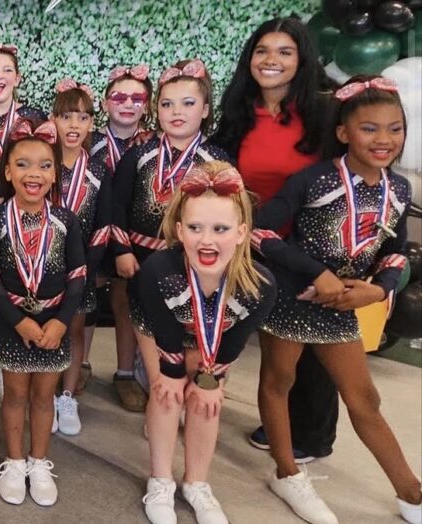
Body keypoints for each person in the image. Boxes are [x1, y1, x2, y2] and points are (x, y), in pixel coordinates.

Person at [253, 76, 421, 524]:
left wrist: (379, 288)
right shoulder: (313, 179)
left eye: (395, 128)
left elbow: (396, 250)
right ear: (344, 132)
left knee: (364, 397)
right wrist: (317, 273)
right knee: (279, 380)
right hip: (293, 296)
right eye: (369, 128)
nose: (384, 139)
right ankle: (287, 473)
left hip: (341, 303)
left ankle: (411, 491)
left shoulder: (399, 190)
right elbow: (259, 231)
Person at [214, 16, 338, 464]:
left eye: (285, 52)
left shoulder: (324, 115)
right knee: (273, 344)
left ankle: (313, 436)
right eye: (263, 51)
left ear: (302, 60)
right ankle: (277, 420)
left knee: (311, 347)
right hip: (250, 246)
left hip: (307, 247)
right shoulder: (238, 113)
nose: (271, 60)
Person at [136, 162, 276, 524]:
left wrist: (212, 379)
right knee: (166, 394)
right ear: (179, 230)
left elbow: (235, 341)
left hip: (215, 336)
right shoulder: (158, 270)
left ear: (242, 232)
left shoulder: (260, 285)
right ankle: (160, 479)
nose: (207, 240)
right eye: (195, 228)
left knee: (207, 401)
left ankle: (197, 483)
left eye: (220, 229)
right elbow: (162, 328)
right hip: (161, 327)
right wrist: (171, 372)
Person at [112, 59, 231, 413]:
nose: (176, 112)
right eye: (167, 104)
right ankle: (154, 386)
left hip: (192, 263)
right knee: (145, 321)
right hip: (141, 260)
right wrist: (121, 249)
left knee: (186, 326)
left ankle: (183, 388)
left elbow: (229, 216)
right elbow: (117, 204)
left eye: (188, 103)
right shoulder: (140, 154)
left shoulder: (217, 161)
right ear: (156, 110)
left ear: (205, 109)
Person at [0, 120, 87, 507]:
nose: (34, 174)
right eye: (22, 164)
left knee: (44, 397)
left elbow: (78, 277)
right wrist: (18, 321)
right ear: (8, 172)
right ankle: (14, 462)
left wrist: (60, 322)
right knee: (14, 395)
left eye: (44, 165)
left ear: (55, 173)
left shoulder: (66, 221)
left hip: (54, 323)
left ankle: (39, 462)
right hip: (12, 320)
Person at [49, 80, 112, 435]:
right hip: (40, 267)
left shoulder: (99, 172)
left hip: (81, 269)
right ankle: (44, 394)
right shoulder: (43, 163)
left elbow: (103, 225)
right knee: (46, 329)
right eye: (66, 116)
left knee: (74, 330)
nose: (74, 125)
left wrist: (86, 267)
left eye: (83, 117)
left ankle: (67, 396)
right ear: (53, 120)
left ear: (91, 124)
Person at [89, 64, 155, 404]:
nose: (127, 104)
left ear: (148, 104)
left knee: (125, 300)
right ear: (105, 103)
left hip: (132, 237)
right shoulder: (89, 140)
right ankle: (80, 365)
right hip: (95, 231)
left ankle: (126, 373)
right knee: (86, 296)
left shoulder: (154, 144)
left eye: (137, 98)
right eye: (119, 97)